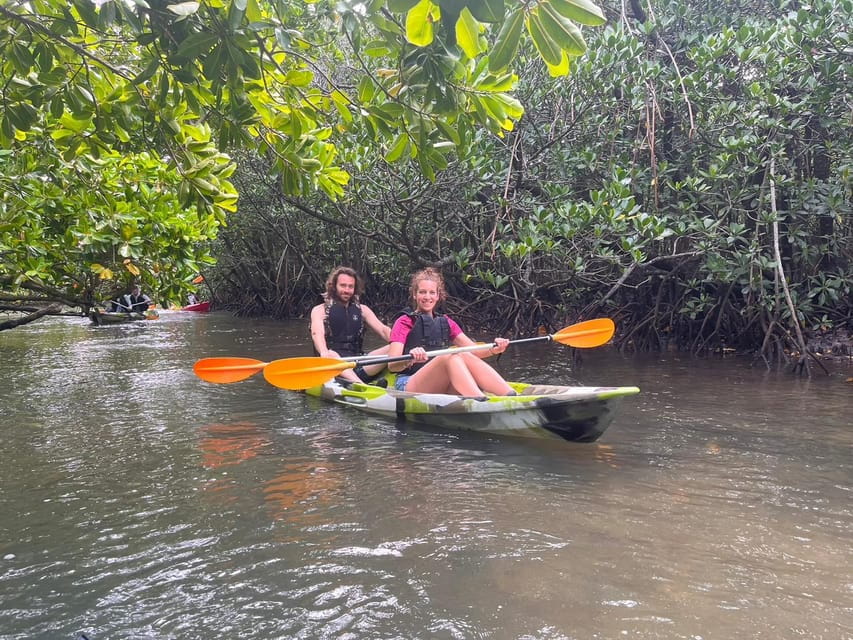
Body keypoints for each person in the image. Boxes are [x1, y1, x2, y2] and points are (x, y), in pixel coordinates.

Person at [387, 267, 516, 397]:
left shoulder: (446, 322)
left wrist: (495, 349)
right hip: (408, 382)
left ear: (438, 296)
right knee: (449, 356)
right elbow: (392, 365)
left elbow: (474, 351)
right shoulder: (404, 322)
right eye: (422, 292)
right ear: (415, 294)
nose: (427, 297)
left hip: (439, 381)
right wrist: (410, 359)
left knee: (463, 354)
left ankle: (510, 395)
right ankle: (479, 399)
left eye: (432, 292)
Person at [309, 266, 392, 384]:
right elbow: (317, 333)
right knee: (332, 354)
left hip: (357, 364)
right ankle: (362, 386)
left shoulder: (363, 310)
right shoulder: (319, 310)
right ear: (333, 286)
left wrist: (400, 343)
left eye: (350, 286)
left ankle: (361, 381)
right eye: (343, 285)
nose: (347, 290)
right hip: (330, 367)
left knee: (394, 347)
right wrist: (324, 352)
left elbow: (383, 330)